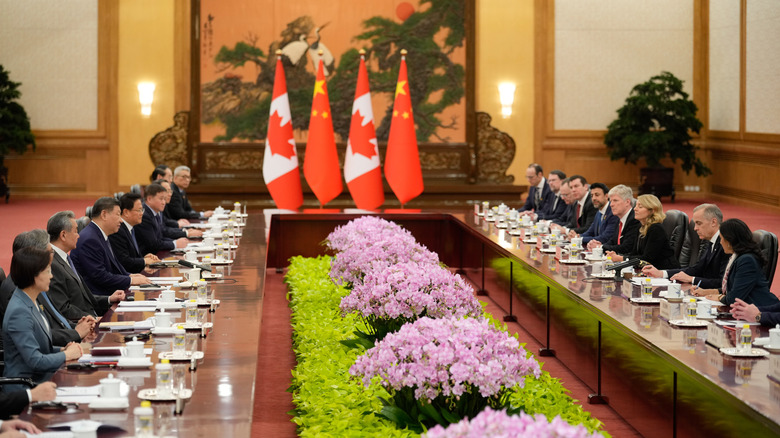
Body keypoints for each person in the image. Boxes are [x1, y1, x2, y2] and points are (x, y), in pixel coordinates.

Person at [3, 247, 82, 387]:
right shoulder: (19, 311)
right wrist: (66, 355)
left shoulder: (32, 299)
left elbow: (41, 348)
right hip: (27, 386)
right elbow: (35, 361)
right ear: (33, 275)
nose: (51, 276)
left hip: (43, 378)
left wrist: (62, 350)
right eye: (47, 271)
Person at [1, 231, 95, 346]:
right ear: (35, 255)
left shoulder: (33, 281)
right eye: (51, 252)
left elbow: (55, 319)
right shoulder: (17, 288)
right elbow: (38, 336)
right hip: (53, 349)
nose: (53, 256)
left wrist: (79, 326)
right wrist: (75, 333)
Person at [47, 211, 125, 319]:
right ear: (63, 235)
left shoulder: (65, 258)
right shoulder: (52, 264)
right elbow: (63, 308)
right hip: (82, 325)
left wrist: (109, 299)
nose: (78, 236)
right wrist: (91, 318)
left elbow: (82, 297)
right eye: (75, 231)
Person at [70, 197, 151, 295]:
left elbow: (113, 267)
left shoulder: (100, 234)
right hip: (99, 298)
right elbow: (100, 276)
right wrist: (130, 281)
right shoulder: (90, 239)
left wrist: (130, 276)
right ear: (104, 215)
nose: (121, 220)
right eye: (118, 215)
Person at [695, 219, 779, 307]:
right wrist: (707, 292)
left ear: (730, 240)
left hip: (762, 311)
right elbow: (732, 288)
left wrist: (719, 297)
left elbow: (734, 298)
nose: (720, 242)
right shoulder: (737, 257)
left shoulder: (747, 260)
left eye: (722, 238)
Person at [642, 204, 729, 288]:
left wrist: (692, 279)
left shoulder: (726, 245)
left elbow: (722, 283)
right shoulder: (712, 241)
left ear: (713, 222)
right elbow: (696, 269)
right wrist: (661, 273)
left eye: (699, 223)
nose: (695, 228)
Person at [605, 194, 680, 270]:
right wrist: (617, 255)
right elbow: (634, 253)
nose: (635, 209)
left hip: (664, 271)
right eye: (636, 206)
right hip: (648, 270)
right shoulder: (641, 227)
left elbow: (648, 258)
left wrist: (621, 258)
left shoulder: (656, 229)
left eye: (640, 207)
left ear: (652, 211)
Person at [108, 193, 161, 273]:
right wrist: (144, 261)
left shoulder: (131, 228)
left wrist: (144, 258)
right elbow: (124, 261)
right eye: (139, 210)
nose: (142, 213)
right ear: (126, 212)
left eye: (142, 210)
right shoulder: (118, 230)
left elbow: (131, 255)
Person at [135, 184, 189, 255]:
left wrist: (176, 241)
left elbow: (160, 237)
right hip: (148, 256)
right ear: (149, 199)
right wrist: (175, 244)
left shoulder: (155, 212)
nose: (164, 202)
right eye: (161, 199)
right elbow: (154, 244)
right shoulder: (144, 216)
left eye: (164, 199)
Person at [588, 184, 640, 255]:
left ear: (627, 202)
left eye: (615, 200)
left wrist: (601, 247)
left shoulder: (635, 219)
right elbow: (613, 241)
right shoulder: (619, 218)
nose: (611, 204)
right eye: (611, 201)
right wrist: (599, 245)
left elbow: (626, 247)